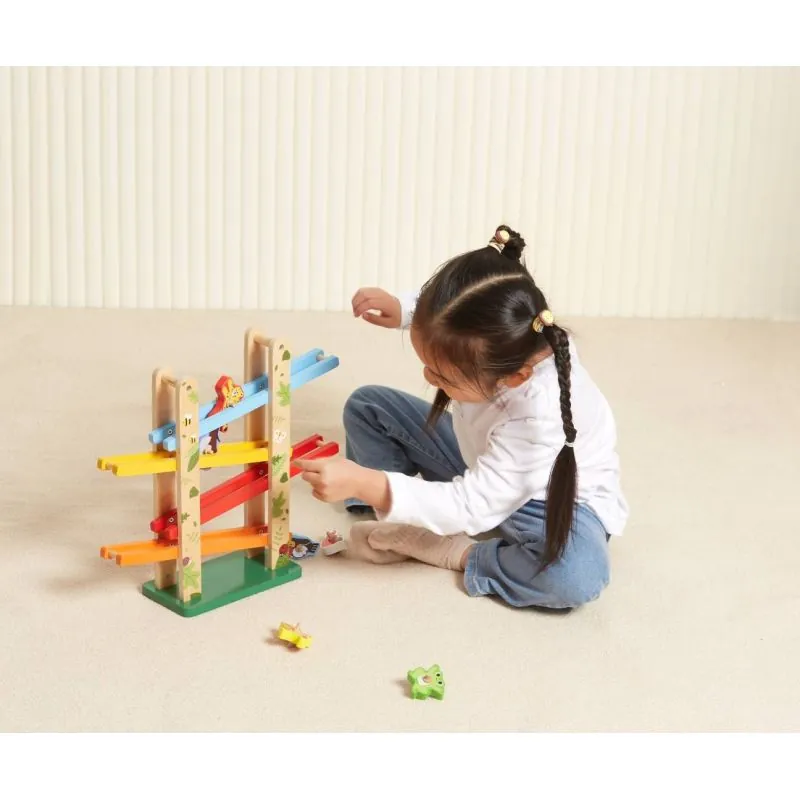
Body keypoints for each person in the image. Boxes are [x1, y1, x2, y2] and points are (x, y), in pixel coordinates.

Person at [295, 225, 629, 610]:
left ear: (514, 377)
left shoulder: (539, 416)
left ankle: (449, 548)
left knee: (574, 575)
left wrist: (369, 482)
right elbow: (460, 311)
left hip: (550, 501)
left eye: (442, 376)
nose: (428, 378)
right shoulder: (511, 337)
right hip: (484, 460)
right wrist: (406, 310)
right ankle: (392, 510)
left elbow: (472, 504)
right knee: (368, 406)